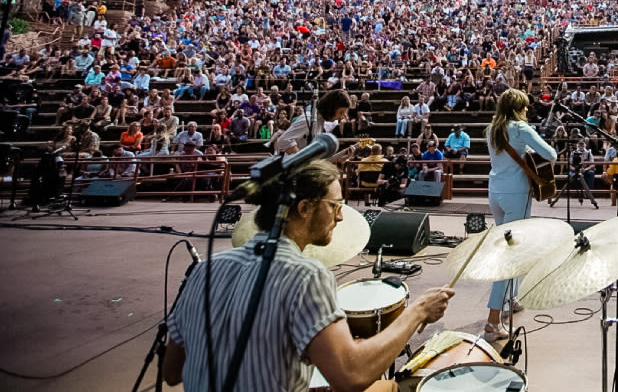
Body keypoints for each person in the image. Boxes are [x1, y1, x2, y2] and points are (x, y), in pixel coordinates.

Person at [163, 159, 454, 391]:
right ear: (304, 208)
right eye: (336, 206)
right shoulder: (306, 276)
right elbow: (350, 377)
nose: (340, 216)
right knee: (390, 388)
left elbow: (172, 372)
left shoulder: (203, 271)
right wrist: (417, 313)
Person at [484, 88, 557, 342]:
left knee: (508, 248)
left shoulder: (491, 129)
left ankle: (511, 298)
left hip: (495, 192)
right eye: (524, 106)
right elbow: (551, 155)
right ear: (517, 108)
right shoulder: (520, 129)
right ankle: (493, 321)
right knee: (509, 255)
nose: (527, 110)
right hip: (516, 194)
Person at [270, 90, 352, 155]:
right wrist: (304, 162)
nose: (341, 117)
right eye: (341, 112)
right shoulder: (309, 119)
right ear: (331, 108)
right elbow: (283, 140)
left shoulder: (320, 122)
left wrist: (340, 159)